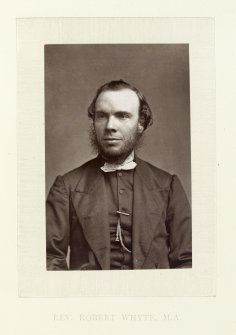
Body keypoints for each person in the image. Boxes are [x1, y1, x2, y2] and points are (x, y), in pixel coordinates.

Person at [46, 79, 192, 270]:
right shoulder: (66, 187)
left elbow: (187, 262)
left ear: (140, 123)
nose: (109, 126)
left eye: (122, 116)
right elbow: (49, 260)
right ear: (93, 121)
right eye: (102, 116)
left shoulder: (169, 186)